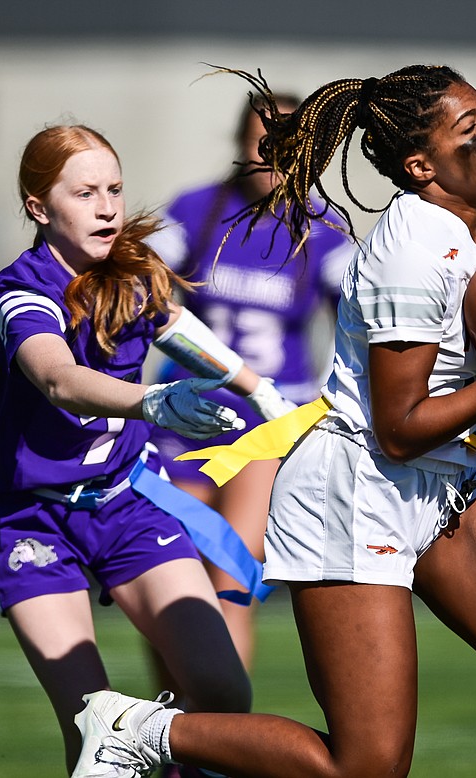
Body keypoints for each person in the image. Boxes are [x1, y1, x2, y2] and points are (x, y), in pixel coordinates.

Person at [70, 65, 476, 778]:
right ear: (422, 165)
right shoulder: (411, 250)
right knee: (367, 766)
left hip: (446, 480)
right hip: (357, 491)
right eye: (469, 128)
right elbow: (398, 426)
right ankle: (143, 729)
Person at [0, 124, 295, 775]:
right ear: (39, 207)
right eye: (85, 192)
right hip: (31, 515)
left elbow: (178, 329)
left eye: (114, 188)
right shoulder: (21, 291)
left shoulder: (130, 273)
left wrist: (263, 394)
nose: (108, 206)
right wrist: (151, 402)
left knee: (224, 691)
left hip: (126, 502)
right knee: (90, 722)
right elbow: (60, 379)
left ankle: (169, 759)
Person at [146, 93, 354, 672]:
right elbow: (138, 284)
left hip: (266, 426)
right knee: (171, 585)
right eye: (264, 144)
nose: (276, 159)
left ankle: (217, 740)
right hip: (184, 415)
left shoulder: (324, 230)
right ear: (240, 147)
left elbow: (368, 324)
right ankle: (175, 731)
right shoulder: (196, 210)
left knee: (233, 582)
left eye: (291, 146)